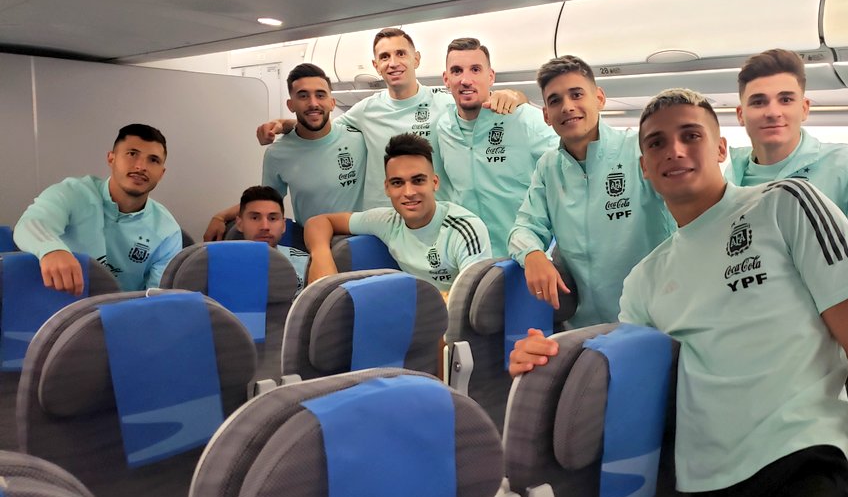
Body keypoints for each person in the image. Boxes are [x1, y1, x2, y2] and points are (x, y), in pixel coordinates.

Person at [510, 89, 848, 497]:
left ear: (720, 148)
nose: (674, 150)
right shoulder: (644, 279)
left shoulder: (786, 204)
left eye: (690, 135)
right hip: (708, 492)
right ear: (644, 167)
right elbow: (631, 375)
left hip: (806, 463)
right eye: (656, 143)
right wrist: (551, 357)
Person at [727, 48, 848, 305]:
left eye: (785, 99)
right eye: (758, 102)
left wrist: (820, 309)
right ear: (740, 115)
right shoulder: (728, 179)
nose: (773, 112)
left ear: (804, 108)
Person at [257, 28, 528, 210]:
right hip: (381, 221)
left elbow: (497, 107)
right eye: (384, 57)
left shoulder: (446, 101)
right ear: (376, 66)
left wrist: (515, 95)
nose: (393, 62)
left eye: (400, 54)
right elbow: (322, 127)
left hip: (436, 216)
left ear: (416, 59)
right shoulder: (365, 110)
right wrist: (285, 124)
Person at [507, 55, 675, 327]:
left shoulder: (640, 150)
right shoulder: (549, 167)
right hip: (583, 329)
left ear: (599, 98)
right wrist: (532, 255)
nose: (567, 107)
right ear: (546, 115)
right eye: (555, 101)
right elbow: (524, 227)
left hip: (651, 322)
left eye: (576, 95)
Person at [304, 133, 490, 292]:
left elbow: (471, 302)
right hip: (413, 315)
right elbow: (318, 222)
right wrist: (321, 256)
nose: (408, 192)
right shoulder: (387, 222)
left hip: (453, 320)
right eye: (397, 183)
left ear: (434, 183)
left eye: (418, 180)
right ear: (387, 187)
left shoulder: (464, 230)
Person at [204, 63, 367, 240]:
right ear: (291, 105)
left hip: (361, 241)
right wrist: (221, 216)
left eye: (320, 95)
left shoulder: (359, 137)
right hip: (311, 242)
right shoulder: (277, 153)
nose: (313, 103)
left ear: (332, 103)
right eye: (303, 96)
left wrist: (282, 124)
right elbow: (265, 203)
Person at [14, 123, 181, 294]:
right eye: (132, 154)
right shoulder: (73, 193)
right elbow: (29, 224)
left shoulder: (168, 230)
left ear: (161, 173)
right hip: (61, 305)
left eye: (153, 160)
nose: (141, 166)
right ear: (111, 159)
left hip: (122, 309)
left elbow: (156, 298)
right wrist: (52, 250)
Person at [434, 37, 559, 256]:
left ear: (490, 76)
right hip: (469, 257)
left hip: (526, 256)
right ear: (446, 79)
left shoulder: (523, 118)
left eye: (475, 70)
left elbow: (569, 168)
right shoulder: (443, 128)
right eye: (456, 71)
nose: (465, 80)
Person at [235, 185, 310, 292]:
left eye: (273, 218)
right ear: (240, 224)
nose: (265, 227)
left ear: (283, 225)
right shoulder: (222, 264)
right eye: (255, 218)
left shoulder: (307, 264)